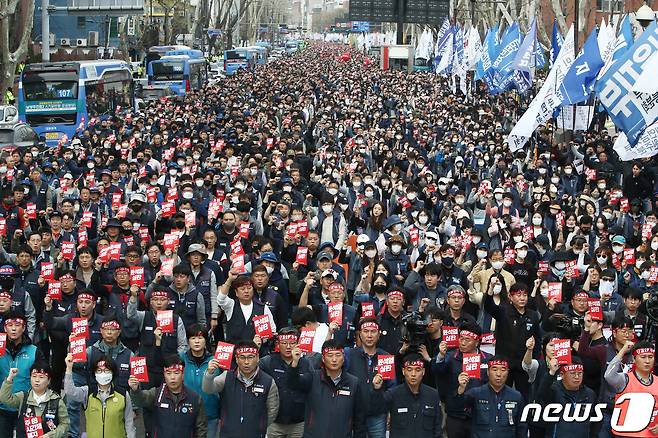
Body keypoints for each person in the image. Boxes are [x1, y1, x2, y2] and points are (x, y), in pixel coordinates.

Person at [289, 339, 366, 438]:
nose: (334, 359)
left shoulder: (354, 383)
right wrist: (294, 363)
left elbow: (359, 419)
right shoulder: (312, 378)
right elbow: (292, 384)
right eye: (330, 355)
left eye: (338, 355)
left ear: (343, 358)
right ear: (323, 359)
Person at [202, 340, 279, 438]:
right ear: (236, 359)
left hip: (255, 434)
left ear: (257, 358)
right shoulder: (227, 377)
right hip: (228, 433)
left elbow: (272, 410)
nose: (246, 362)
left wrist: (260, 425)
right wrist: (209, 373)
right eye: (242, 357)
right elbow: (207, 389)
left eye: (250, 357)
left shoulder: (268, 381)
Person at [129, 355, 208, 438]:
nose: (172, 377)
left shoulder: (195, 398)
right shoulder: (156, 394)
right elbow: (140, 400)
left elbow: (201, 428)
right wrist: (135, 390)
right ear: (164, 375)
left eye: (176, 373)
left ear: (183, 374)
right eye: (168, 373)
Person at [452, 356, 527, 438]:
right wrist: (461, 389)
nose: (498, 374)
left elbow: (522, 427)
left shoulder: (516, 396)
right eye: (494, 370)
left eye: (503, 370)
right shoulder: (476, 393)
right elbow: (456, 408)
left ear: (508, 372)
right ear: (488, 372)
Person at [63, 354, 136, 438]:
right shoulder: (88, 392)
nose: (103, 374)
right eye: (99, 371)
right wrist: (69, 368)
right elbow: (70, 391)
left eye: (107, 370)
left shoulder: (123, 394)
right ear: (94, 373)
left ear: (113, 372)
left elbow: (129, 424)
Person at [371, 353, 442, 437]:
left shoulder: (433, 395)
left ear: (423, 372)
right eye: (409, 369)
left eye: (418, 370)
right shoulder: (393, 394)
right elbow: (376, 409)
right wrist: (376, 390)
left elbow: (438, 429)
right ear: (403, 371)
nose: (413, 374)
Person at [259, 327, 311, 438]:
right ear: (278, 344)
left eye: (292, 343)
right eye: (284, 343)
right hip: (274, 422)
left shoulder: (306, 364)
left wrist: (295, 363)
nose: (288, 347)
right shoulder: (267, 362)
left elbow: (306, 386)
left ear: (298, 343)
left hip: (298, 422)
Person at [0, 312, 44, 433]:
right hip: (2, 407)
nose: (13, 328)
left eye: (18, 325)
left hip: (28, 406)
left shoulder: (34, 350)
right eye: (10, 325)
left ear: (24, 327)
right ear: (4, 328)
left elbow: (44, 376)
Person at [0, 362, 69, 438]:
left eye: (41, 377)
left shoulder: (57, 401)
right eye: (34, 376)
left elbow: (65, 424)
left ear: (49, 381)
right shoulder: (23, 397)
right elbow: (5, 398)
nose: (37, 380)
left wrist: (51, 435)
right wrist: (10, 378)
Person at [605, 340, 658, 437]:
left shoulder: (657, 381)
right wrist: (622, 351)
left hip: (649, 434)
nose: (647, 361)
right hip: (626, 434)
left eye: (650, 357)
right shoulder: (624, 379)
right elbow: (608, 376)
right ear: (634, 359)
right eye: (643, 357)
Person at [179, 324, 220, 438]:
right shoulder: (181, 359)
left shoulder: (216, 361)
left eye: (200, 338)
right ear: (188, 341)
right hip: (186, 411)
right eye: (193, 338)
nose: (196, 341)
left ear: (206, 340)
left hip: (210, 414)